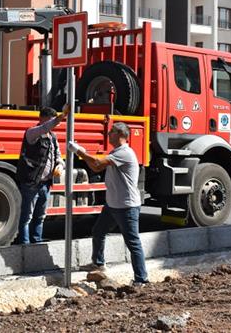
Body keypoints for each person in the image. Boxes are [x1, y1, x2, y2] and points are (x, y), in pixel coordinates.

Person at [68, 122, 149, 284]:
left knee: (132, 242)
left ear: (120, 134)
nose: (108, 134)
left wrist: (79, 151)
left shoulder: (125, 153)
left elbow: (97, 163)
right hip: (113, 204)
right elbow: (96, 167)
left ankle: (142, 279)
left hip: (126, 206)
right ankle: (98, 264)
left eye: (111, 132)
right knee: (98, 231)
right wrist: (82, 154)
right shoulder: (117, 151)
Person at [15, 104, 69, 244]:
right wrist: (61, 116)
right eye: (50, 121)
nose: (53, 125)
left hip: (45, 183)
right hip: (32, 182)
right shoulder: (32, 132)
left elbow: (58, 155)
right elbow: (46, 127)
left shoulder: (52, 137)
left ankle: (36, 243)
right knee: (27, 216)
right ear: (42, 119)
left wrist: (60, 165)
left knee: (40, 216)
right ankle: (25, 246)